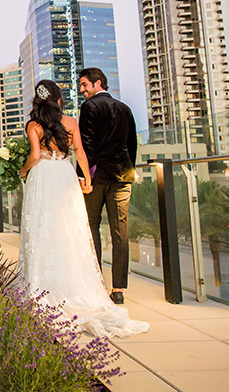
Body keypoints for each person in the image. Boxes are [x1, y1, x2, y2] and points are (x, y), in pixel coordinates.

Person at [18, 79, 148, 338]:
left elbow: (34, 156)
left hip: (43, 176)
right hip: (65, 176)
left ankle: (43, 285)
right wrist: (87, 178)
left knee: (44, 228)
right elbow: (80, 153)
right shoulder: (70, 123)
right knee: (70, 228)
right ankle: (78, 285)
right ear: (57, 99)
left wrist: (22, 172)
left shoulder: (33, 125)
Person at [77, 67, 138, 305]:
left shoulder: (89, 107)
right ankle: (119, 288)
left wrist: (83, 176)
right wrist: (128, 168)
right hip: (123, 176)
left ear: (97, 83)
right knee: (120, 232)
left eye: (84, 85)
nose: (82, 90)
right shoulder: (125, 108)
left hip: (97, 177)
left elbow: (87, 146)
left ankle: (96, 282)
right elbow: (131, 143)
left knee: (92, 227)